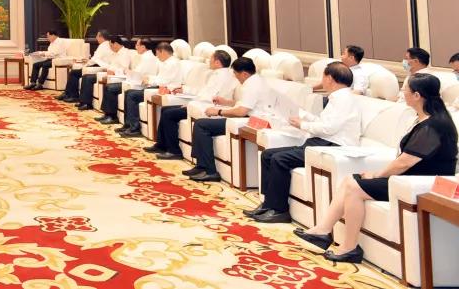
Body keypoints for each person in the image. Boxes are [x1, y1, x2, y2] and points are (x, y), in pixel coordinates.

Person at [295, 73, 458, 263]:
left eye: (406, 89)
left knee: (354, 188)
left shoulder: (435, 125)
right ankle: (322, 231)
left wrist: (376, 175)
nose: (402, 93)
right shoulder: (425, 119)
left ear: (417, 95)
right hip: (404, 179)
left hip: (418, 183)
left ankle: (349, 247)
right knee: (349, 180)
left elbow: (405, 162)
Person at [248, 62, 361, 223]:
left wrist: (302, 125)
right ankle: (268, 204)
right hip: (321, 142)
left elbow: (328, 129)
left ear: (329, 78)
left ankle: (279, 210)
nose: (322, 81)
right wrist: (303, 115)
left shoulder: (343, 99)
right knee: (268, 155)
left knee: (279, 159)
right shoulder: (338, 97)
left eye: (323, 77)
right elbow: (325, 123)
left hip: (332, 147)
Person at [183, 57, 280, 183]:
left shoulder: (253, 85)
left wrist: (218, 111)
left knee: (201, 125)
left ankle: (209, 171)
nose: (234, 76)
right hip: (246, 118)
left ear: (244, 74)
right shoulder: (255, 81)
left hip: (250, 122)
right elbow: (244, 104)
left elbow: (242, 111)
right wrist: (226, 102)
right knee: (201, 124)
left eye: (235, 73)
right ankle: (201, 166)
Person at [146, 50, 236, 160]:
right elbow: (202, 92)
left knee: (169, 114)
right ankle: (161, 145)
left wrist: (190, 104)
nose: (209, 61)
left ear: (217, 62)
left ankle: (174, 151)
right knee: (165, 110)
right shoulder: (217, 74)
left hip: (206, 107)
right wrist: (185, 90)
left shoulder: (222, 76)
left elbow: (209, 97)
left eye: (211, 59)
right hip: (200, 104)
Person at [119, 42, 181, 137]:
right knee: (128, 92)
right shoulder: (167, 63)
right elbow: (161, 78)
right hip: (159, 87)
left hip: (166, 90)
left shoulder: (172, 63)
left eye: (157, 53)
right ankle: (128, 124)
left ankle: (134, 128)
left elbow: (164, 81)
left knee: (132, 95)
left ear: (163, 52)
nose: (157, 56)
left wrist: (149, 80)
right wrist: (149, 78)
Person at [59, 30, 111, 104]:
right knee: (74, 72)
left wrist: (85, 65)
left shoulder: (103, 46)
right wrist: (87, 61)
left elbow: (95, 60)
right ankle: (67, 93)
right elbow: (97, 59)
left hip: (98, 68)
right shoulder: (107, 44)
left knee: (74, 73)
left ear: (101, 37)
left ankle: (72, 95)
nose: (96, 38)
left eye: (97, 36)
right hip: (98, 66)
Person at [92, 37, 135, 123]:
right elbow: (111, 66)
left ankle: (112, 116)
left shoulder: (125, 53)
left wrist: (114, 72)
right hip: (115, 77)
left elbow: (125, 70)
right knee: (107, 87)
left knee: (110, 88)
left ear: (116, 44)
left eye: (111, 46)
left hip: (123, 78)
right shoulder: (115, 54)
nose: (111, 48)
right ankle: (107, 114)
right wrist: (109, 70)